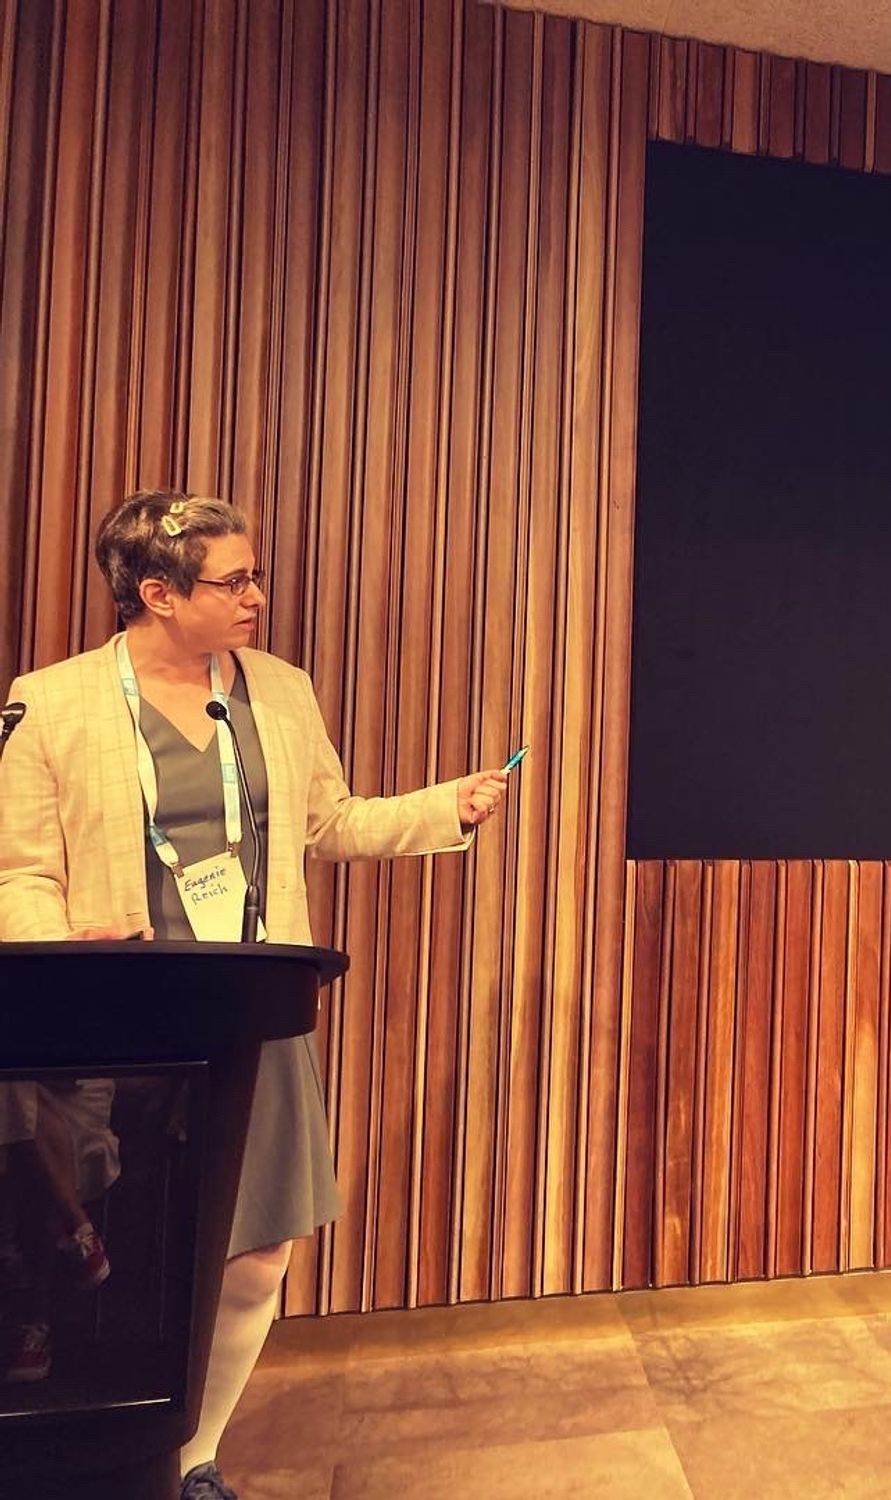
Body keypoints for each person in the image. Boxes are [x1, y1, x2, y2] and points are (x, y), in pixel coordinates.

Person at [0, 491, 512, 1500]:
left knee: (257, 1255)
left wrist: (442, 807)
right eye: (233, 581)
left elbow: (329, 822)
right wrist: (60, 940)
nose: (256, 598)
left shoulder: (276, 690)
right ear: (157, 593)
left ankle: (194, 1454)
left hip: (249, 1006)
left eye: (254, 576)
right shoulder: (47, 701)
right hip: (113, 1015)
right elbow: (15, 870)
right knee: (109, 1256)